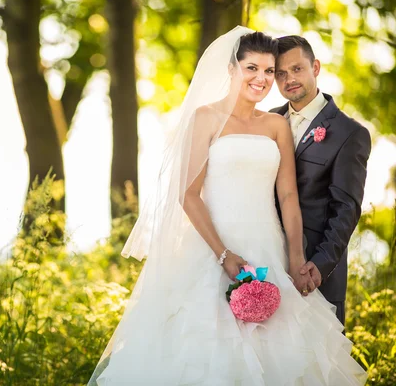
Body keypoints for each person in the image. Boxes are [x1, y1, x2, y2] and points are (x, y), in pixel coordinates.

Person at [88, 27, 367, 385]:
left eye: (270, 71)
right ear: (233, 68)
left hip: (270, 249)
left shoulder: (276, 125)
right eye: (253, 68)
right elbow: (188, 195)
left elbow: (288, 198)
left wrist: (296, 257)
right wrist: (223, 254)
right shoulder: (205, 118)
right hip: (212, 246)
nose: (264, 79)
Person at [271, 35, 372, 325]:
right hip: (265, 259)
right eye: (280, 73)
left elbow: (346, 209)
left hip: (315, 270)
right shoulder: (265, 121)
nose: (289, 79)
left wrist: (320, 264)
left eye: (297, 69)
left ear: (315, 67)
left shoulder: (349, 134)